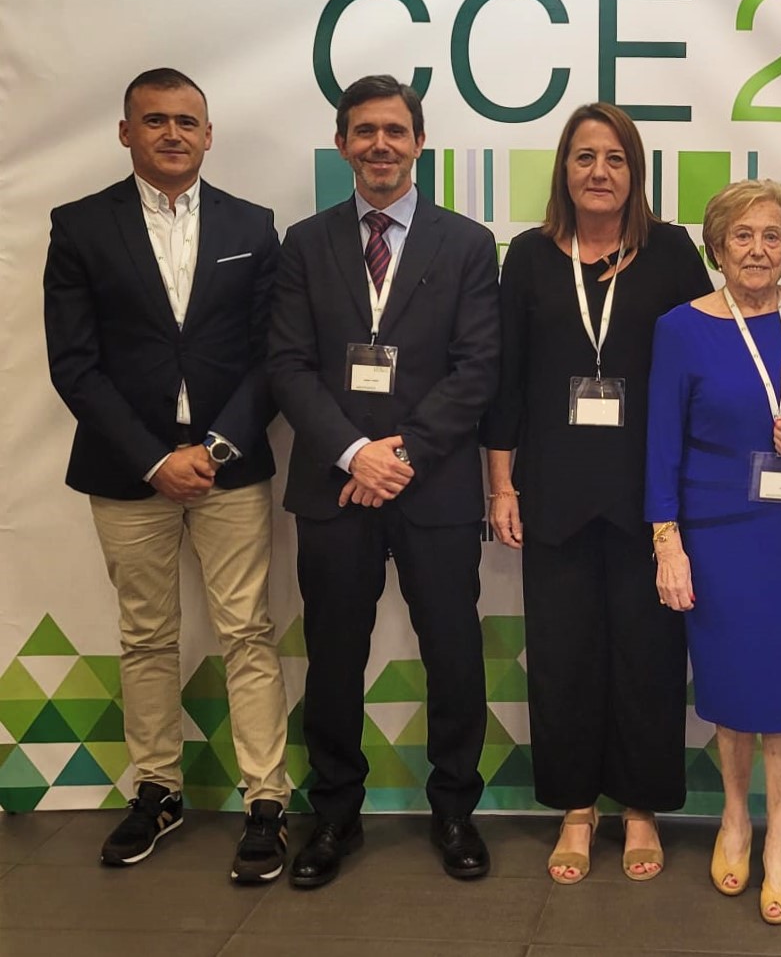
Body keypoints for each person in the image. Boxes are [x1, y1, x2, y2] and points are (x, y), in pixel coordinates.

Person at [43, 68, 290, 883]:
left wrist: (213, 449)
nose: (173, 133)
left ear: (209, 135)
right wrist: (153, 458)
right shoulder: (80, 227)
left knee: (247, 631)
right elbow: (75, 365)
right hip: (127, 470)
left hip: (230, 466)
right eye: (155, 120)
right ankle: (157, 789)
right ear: (126, 132)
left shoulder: (253, 225)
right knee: (146, 635)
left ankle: (266, 799)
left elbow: (272, 356)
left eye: (187, 120)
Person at [268, 74, 499, 889]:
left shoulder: (467, 243)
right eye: (364, 131)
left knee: (453, 652)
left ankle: (455, 809)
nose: (380, 145)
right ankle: (334, 813)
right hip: (335, 486)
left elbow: (478, 369)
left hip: (433, 486)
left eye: (395, 131)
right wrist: (353, 453)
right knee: (333, 657)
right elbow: (287, 365)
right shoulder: (305, 243)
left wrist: (399, 456)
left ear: (419, 143)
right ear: (342, 145)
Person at [482, 102, 712, 884]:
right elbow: (507, 382)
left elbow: (705, 362)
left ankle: (641, 807)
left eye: (615, 158)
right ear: (564, 169)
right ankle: (576, 809)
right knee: (564, 656)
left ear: (634, 172)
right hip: (555, 490)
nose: (599, 172)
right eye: (585, 157)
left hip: (651, 494)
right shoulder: (529, 256)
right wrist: (502, 486)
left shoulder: (671, 251)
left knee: (649, 656)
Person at [646, 178, 781, 924]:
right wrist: (668, 544)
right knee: (733, 682)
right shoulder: (681, 328)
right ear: (717, 247)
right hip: (719, 534)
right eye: (742, 235)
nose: (758, 249)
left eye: (772, 235)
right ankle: (735, 818)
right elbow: (661, 445)